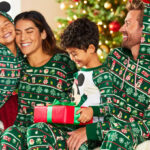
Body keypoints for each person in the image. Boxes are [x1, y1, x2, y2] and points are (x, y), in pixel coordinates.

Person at [54, 0, 149, 150]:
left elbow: (145, 126)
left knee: (116, 136)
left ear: (146, 29)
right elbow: (101, 98)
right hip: (95, 125)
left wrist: (93, 131)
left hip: (117, 134)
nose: (121, 29)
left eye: (128, 23)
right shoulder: (116, 57)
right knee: (42, 131)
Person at [27, 18, 113, 150]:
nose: (72, 58)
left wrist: (92, 110)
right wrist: (56, 106)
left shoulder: (104, 75)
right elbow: (74, 100)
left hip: (90, 135)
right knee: (36, 130)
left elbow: (111, 106)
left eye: (74, 53)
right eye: (69, 54)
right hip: (72, 126)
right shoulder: (80, 74)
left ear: (90, 48)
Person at [0, 11, 77, 149]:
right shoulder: (18, 68)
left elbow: (82, 99)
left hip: (55, 132)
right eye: (18, 33)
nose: (23, 38)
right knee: (9, 134)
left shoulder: (63, 63)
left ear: (43, 34)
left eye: (29, 31)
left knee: (37, 131)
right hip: (24, 130)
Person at [0, 11, 23, 130]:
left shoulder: (24, 49)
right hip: (3, 106)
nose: (4, 30)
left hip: (21, 103)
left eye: (6, 24)